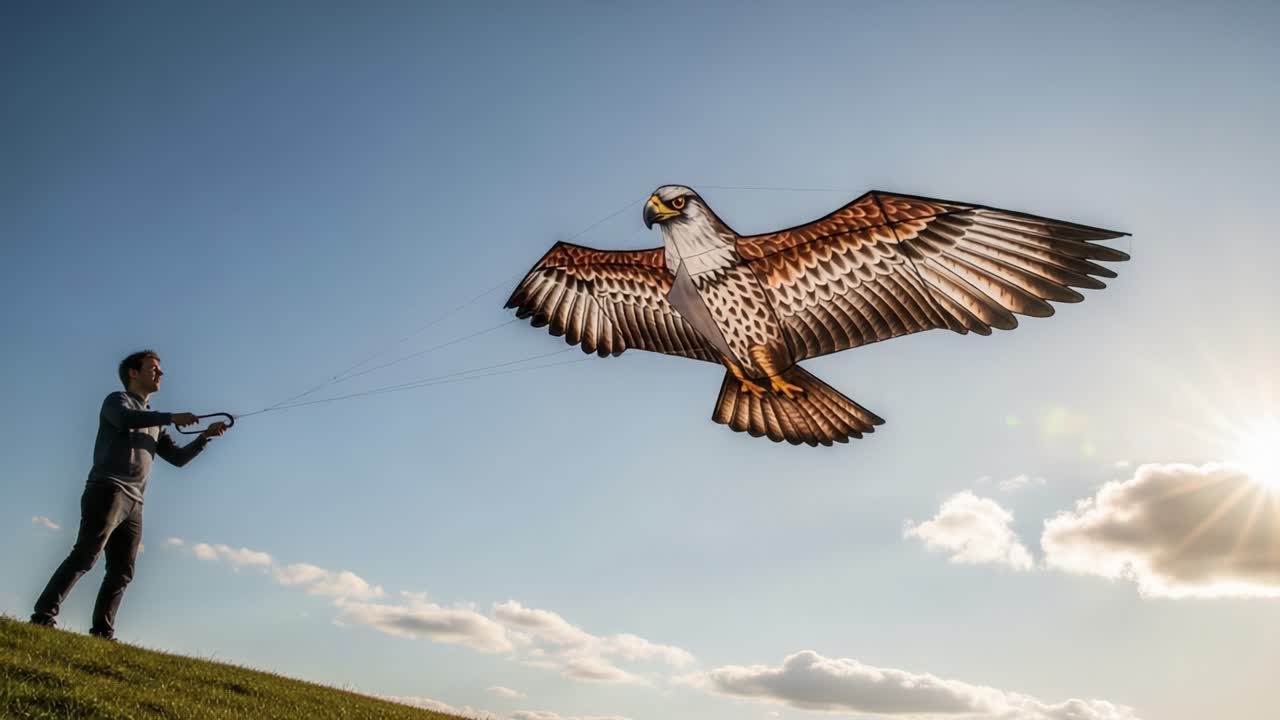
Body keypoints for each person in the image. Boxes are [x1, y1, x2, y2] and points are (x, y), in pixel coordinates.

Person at [30, 350, 229, 639]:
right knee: (86, 556)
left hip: (136, 502)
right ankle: (43, 616)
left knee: (123, 570)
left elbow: (177, 458)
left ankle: (102, 632)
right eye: (153, 368)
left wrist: (204, 437)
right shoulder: (116, 400)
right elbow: (124, 419)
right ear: (133, 373)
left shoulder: (155, 421)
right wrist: (172, 416)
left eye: (160, 370)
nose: (160, 374)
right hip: (108, 489)